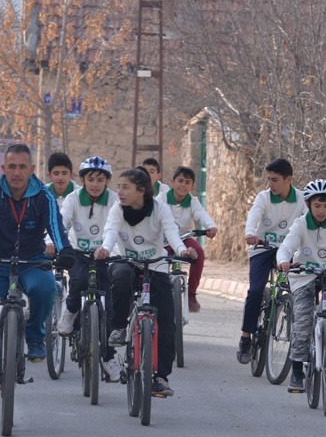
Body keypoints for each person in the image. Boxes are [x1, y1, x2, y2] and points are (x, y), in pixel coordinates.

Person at [0, 143, 73, 406]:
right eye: (12, 167)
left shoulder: (43, 196)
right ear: (2, 169)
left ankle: (34, 334)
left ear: (32, 169)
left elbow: (56, 226)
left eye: (23, 167)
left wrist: (65, 251)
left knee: (46, 289)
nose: (17, 172)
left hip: (32, 261)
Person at [96, 167, 196, 397]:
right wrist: (105, 249)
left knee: (167, 320)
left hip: (155, 263)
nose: (119, 191)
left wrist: (182, 250)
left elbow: (171, 231)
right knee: (120, 276)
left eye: (125, 187)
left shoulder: (160, 208)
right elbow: (110, 232)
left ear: (141, 190)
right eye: (119, 186)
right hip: (126, 260)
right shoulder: (117, 209)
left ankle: (160, 376)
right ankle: (119, 328)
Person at [275, 179, 326, 392]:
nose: (321, 211)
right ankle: (298, 370)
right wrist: (283, 261)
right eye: (317, 206)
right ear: (309, 205)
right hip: (303, 275)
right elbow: (286, 246)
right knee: (302, 322)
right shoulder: (300, 223)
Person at [56, 156, 120, 380]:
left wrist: (108, 248)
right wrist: (52, 242)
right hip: (78, 252)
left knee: (110, 304)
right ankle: (71, 311)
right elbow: (62, 223)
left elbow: (116, 226)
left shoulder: (114, 200)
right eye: (90, 179)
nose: (95, 184)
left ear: (107, 181)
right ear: (82, 180)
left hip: (105, 253)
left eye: (100, 179)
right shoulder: (73, 199)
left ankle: (108, 356)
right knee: (79, 281)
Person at [237, 158, 306, 364]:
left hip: (288, 251)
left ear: (289, 179)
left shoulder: (302, 199)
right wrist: (250, 233)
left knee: (300, 287)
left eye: (275, 180)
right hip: (262, 249)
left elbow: (308, 221)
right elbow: (254, 215)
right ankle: (246, 337)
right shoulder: (264, 197)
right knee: (256, 290)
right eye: (269, 179)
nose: (270, 184)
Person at [164, 166, 218, 313]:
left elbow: (201, 214)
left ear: (192, 186)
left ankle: (191, 293)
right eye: (180, 181)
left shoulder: (192, 201)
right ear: (173, 182)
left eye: (187, 182)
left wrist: (211, 226)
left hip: (184, 238)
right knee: (156, 260)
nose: (183, 185)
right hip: (163, 240)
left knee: (199, 252)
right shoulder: (162, 198)